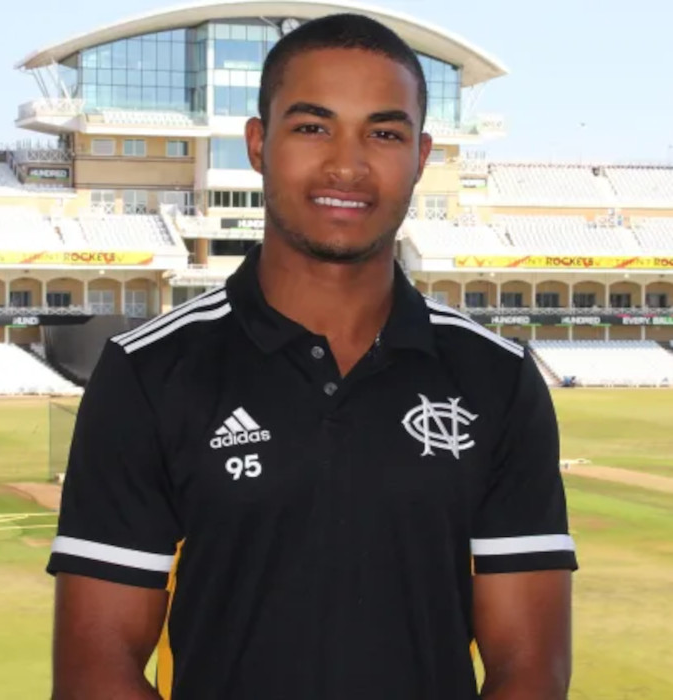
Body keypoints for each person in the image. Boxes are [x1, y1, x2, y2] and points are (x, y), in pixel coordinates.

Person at [48, 13, 577, 700]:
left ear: (421, 156)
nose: (347, 166)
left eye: (384, 133)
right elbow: (96, 670)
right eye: (312, 127)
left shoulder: (498, 380)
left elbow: (530, 669)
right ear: (258, 144)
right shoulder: (148, 373)